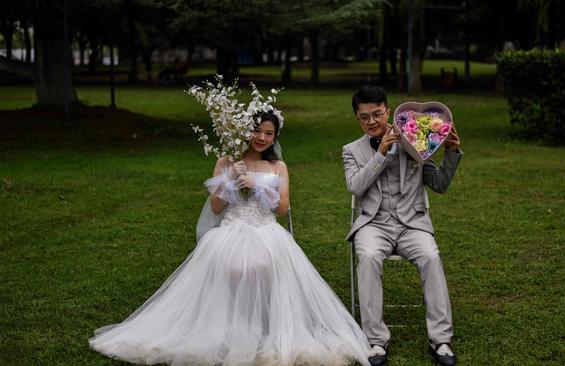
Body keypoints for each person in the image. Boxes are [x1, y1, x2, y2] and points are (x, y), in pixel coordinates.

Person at [90, 111, 371, 366]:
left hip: (266, 230)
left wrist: (259, 190)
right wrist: (230, 181)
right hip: (231, 229)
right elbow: (215, 207)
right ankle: (228, 329)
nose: (261, 137)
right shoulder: (226, 161)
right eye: (256, 130)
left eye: (269, 133)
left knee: (261, 264)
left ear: (275, 137)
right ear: (243, 130)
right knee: (235, 265)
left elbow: (284, 209)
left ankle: (263, 330)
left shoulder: (278, 166)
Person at [342, 86, 463, 366]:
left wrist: (452, 153)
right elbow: (356, 187)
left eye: (377, 114)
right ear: (357, 119)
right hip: (374, 224)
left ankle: (441, 340)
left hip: (412, 224)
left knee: (431, 257)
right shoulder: (351, 150)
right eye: (364, 117)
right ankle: (375, 341)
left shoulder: (415, 139)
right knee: (369, 257)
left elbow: (440, 184)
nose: (372, 121)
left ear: (388, 111)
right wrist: (381, 153)